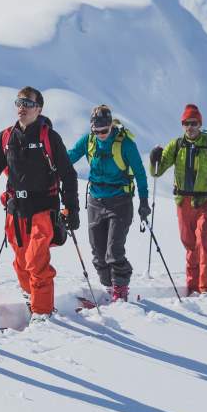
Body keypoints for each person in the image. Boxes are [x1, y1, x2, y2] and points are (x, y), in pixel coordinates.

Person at [0, 86, 80, 317]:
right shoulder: (6, 137)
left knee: (36, 260)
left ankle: (42, 313)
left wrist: (72, 208)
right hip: (15, 210)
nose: (22, 108)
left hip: (43, 208)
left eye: (28, 103)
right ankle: (31, 299)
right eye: (19, 103)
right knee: (21, 264)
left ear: (39, 109)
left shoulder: (49, 138)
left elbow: (68, 175)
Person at [68, 104, 149, 301]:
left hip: (120, 201)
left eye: (104, 130)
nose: (101, 134)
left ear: (111, 125)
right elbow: (68, 158)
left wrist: (144, 201)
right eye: (96, 131)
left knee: (114, 250)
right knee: (98, 252)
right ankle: (108, 288)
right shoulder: (88, 141)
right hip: (95, 200)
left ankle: (120, 289)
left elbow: (140, 173)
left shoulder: (125, 144)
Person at [148, 104, 207, 296]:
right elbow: (158, 172)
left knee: (204, 241)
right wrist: (154, 160)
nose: (190, 127)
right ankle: (193, 287)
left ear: (200, 124)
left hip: (205, 201)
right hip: (183, 202)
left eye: (193, 123)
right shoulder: (176, 145)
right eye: (186, 123)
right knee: (190, 244)